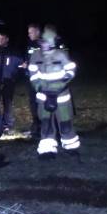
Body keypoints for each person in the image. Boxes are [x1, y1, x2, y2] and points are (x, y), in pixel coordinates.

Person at [27, 27, 80, 159]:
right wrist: (39, 87)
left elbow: (71, 71)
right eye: (42, 42)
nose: (43, 44)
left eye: (45, 42)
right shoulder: (36, 55)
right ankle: (47, 150)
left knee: (65, 123)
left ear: (52, 42)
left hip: (62, 96)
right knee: (46, 123)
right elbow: (33, 74)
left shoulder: (61, 54)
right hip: (43, 97)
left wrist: (60, 86)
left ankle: (71, 147)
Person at [23, 23, 42, 138]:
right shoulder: (30, 45)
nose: (29, 34)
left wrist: (29, 65)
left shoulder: (43, 45)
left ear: (37, 32)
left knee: (40, 104)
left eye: (31, 32)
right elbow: (28, 58)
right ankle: (35, 127)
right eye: (28, 32)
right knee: (33, 103)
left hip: (40, 80)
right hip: (30, 79)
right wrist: (25, 64)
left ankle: (41, 128)